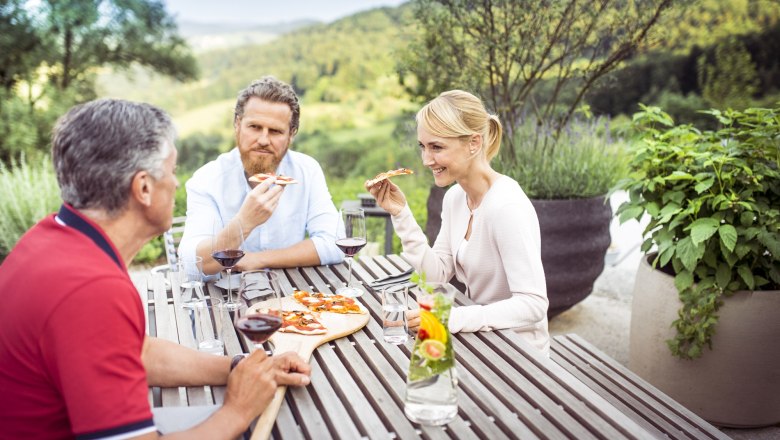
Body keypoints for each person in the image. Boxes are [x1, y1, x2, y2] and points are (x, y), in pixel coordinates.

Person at [0, 98, 311, 439]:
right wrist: (237, 411)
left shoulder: (53, 238)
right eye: (172, 170)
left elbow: (138, 352)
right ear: (144, 188)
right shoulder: (90, 290)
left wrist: (240, 367)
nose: (176, 184)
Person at [366, 90, 550, 355]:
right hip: (480, 337)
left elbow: (533, 305)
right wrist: (401, 214)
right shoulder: (455, 198)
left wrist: (452, 318)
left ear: (474, 143)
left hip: (518, 351)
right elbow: (437, 274)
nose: (426, 160)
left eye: (437, 147)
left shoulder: (507, 207)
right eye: (423, 146)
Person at [178, 76, 342, 275]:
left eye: (275, 131)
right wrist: (244, 222)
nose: (263, 140)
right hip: (223, 296)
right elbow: (192, 263)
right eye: (254, 127)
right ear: (237, 125)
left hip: (292, 296)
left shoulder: (307, 170)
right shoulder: (207, 179)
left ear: (291, 134)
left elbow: (335, 243)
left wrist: (259, 260)